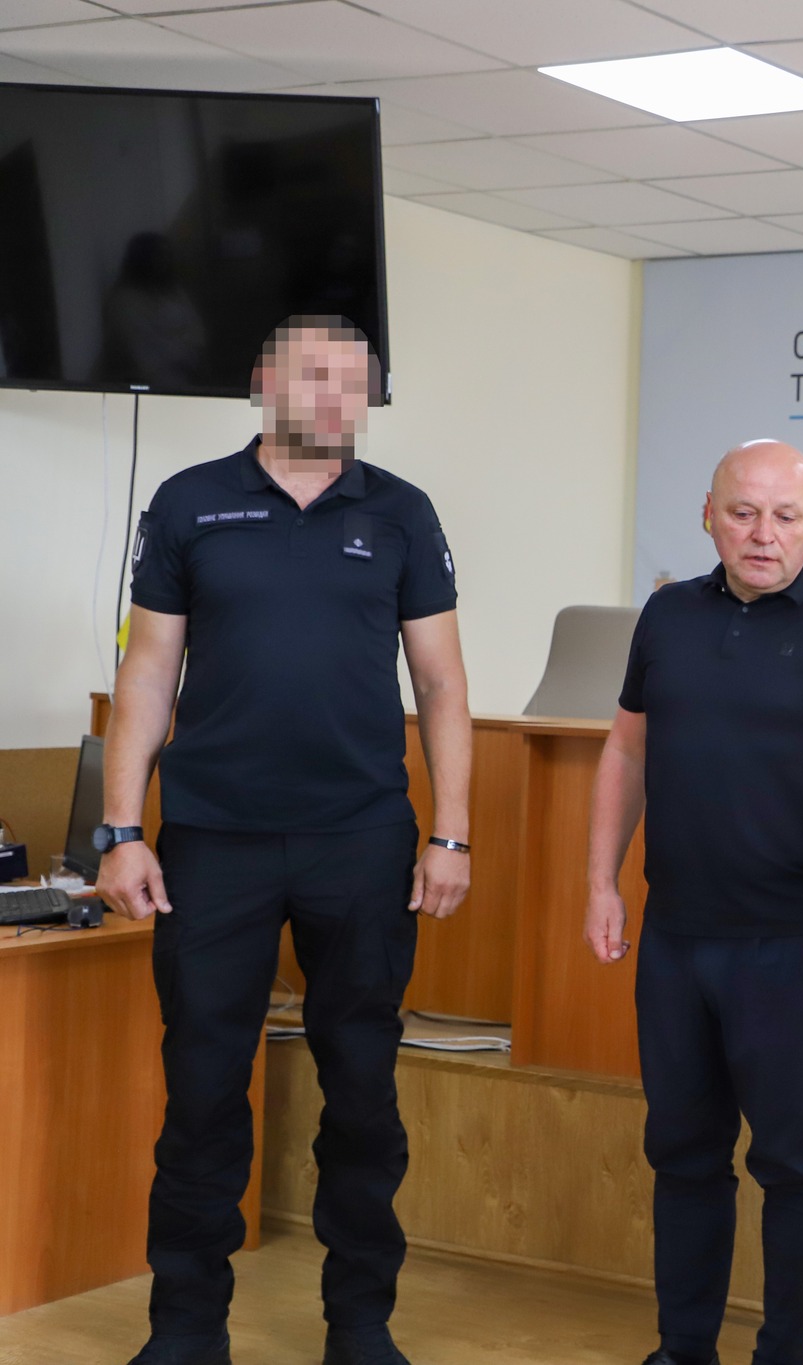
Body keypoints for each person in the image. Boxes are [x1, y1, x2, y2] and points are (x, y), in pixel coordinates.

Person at [101, 316, 472, 1365]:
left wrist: (451, 835)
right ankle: (185, 1329)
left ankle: (360, 1325)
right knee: (203, 1091)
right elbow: (147, 673)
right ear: (265, 381)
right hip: (213, 842)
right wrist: (122, 828)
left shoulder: (401, 512)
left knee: (362, 1095)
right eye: (315, 375)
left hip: (361, 843)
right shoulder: (188, 502)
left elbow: (442, 684)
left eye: (356, 382)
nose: (336, 397)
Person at [584, 439, 803, 1365]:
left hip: (797, 946)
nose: (764, 533)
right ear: (708, 515)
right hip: (677, 938)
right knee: (682, 1154)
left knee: (792, 1162)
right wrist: (600, 880)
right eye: (743, 512)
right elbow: (625, 750)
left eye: (786, 516)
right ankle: (682, 1348)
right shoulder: (667, 615)